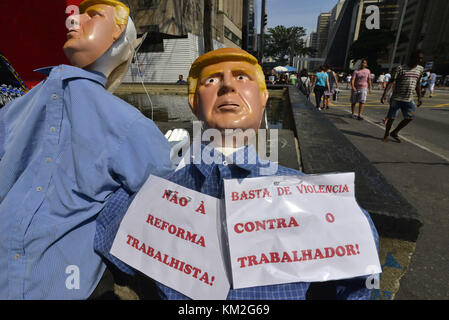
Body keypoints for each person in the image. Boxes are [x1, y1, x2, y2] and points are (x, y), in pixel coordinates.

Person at [94, 48, 379, 300]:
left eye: (242, 77)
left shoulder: (323, 204)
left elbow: (357, 284)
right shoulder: (150, 198)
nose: (228, 85)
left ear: (264, 97)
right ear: (193, 102)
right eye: (212, 79)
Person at [0, 0, 173, 299]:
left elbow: (167, 209)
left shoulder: (130, 125)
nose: (74, 20)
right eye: (79, 13)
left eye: (93, 15)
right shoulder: (14, 110)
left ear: (118, 35)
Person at [381, 51, 424, 143]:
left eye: (421, 58)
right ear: (412, 58)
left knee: (409, 118)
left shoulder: (420, 69)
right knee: (391, 118)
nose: (419, 60)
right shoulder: (400, 68)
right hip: (397, 98)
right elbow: (391, 81)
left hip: (409, 98)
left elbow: (418, 84)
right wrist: (385, 94)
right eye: (418, 58)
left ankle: (395, 132)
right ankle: (386, 134)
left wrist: (419, 97)